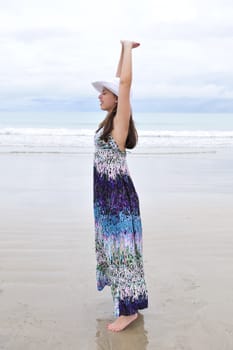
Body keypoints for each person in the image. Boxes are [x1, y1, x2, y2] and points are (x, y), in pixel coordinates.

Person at [92, 40, 148, 332]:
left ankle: (127, 312)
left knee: (122, 253)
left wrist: (127, 47)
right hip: (105, 201)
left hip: (119, 202)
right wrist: (121, 53)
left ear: (116, 99)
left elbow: (124, 84)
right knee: (114, 252)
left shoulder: (119, 125)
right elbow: (119, 82)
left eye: (104, 92)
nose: (99, 96)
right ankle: (127, 304)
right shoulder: (108, 123)